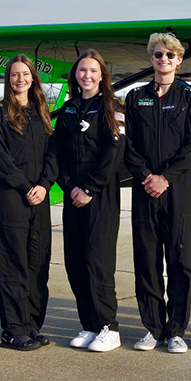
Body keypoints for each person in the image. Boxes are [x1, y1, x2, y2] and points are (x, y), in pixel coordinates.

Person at [124, 33, 191, 353]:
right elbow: (126, 143)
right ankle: (152, 327)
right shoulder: (136, 97)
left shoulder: (190, 98)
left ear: (179, 60)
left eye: (170, 56)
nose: (164, 60)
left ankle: (176, 330)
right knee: (146, 260)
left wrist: (166, 177)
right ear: (151, 58)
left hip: (177, 190)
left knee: (179, 260)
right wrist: (146, 175)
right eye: (159, 55)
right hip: (144, 189)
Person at [0, 55, 58, 352]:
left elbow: (53, 155)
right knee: (13, 265)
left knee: (38, 263)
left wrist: (44, 185)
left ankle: (32, 326)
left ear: (32, 78)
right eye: (14, 75)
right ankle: (13, 330)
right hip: (11, 199)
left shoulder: (42, 112)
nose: (20, 79)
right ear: (8, 79)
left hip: (39, 198)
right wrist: (28, 186)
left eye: (25, 74)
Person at [56, 49, 125, 353]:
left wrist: (89, 189)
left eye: (93, 71)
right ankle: (89, 325)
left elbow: (113, 155)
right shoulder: (69, 109)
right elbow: (57, 153)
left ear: (102, 75)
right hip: (73, 196)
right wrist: (70, 186)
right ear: (75, 75)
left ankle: (109, 326)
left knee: (98, 262)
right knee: (76, 261)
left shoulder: (113, 107)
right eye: (82, 70)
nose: (87, 75)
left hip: (100, 196)